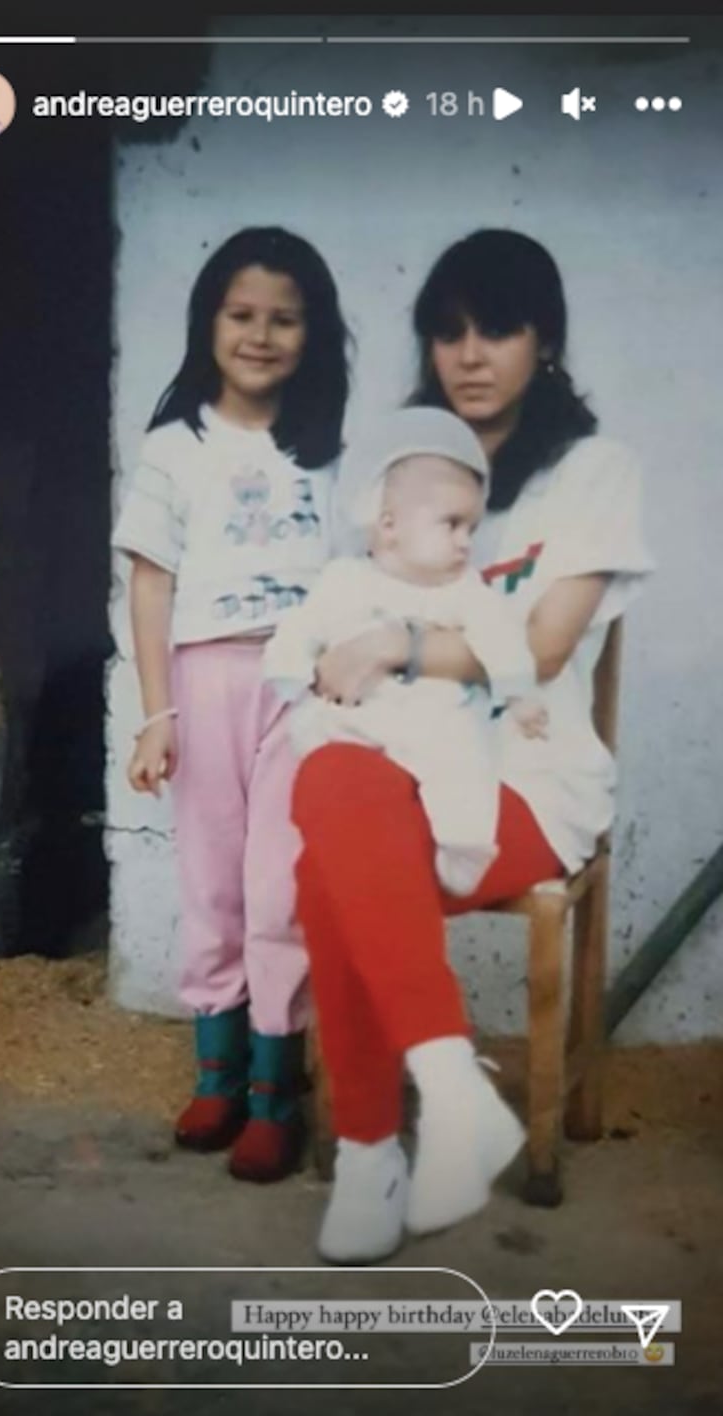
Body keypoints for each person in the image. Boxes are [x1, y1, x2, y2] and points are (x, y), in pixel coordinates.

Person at [289, 228, 655, 1263]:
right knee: (334, 785)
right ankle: (445, 1099)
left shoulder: (592, 471)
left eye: (496, 327)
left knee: (329, 862)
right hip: (390, 766)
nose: (469, 353)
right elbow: (333, 630)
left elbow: (537, 648)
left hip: (529, 783)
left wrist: (400, 643)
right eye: (445, 331)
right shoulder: (404, 475)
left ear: (544, 339)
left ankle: (373, 1152)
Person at [112, 227, 349, 1183]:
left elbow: (355, 578)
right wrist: (157, 714)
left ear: (313, 332)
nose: (261, 335)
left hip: (300, 686)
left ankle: (274, 1098)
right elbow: (150, 583)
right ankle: (216, 1077)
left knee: (279, 889)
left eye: (284, 319)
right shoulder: (176, 447)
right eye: (242, 315)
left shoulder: (329, 448)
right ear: (209, 321)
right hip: (204, 683)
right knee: (213, 881)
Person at [264, 406, 548, 898]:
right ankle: (340, 822)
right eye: (452, 524)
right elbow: (300, 628)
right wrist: (295, 672)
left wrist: (518, 692)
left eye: (472, 529)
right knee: (314, 734)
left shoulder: (466, 590)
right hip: (359, 717)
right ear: (389, 525)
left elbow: (500, 637)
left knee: (462, 763)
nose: (465, 543)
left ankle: (465, 843)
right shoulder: (344, 579)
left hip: (432, 718)